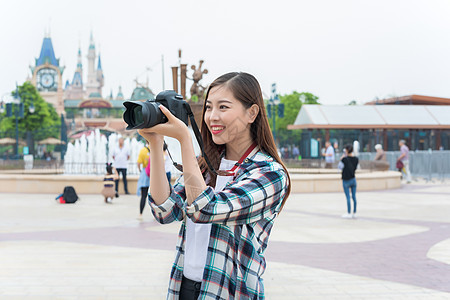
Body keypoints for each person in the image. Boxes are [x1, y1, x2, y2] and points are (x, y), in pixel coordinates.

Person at [138, 72, 291, 299]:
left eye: (223, 107)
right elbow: (165, 210)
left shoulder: (270, 174)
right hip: (184, 287)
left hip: (230, 291)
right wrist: (155, 142)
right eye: (209, 107)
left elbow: (206, 209)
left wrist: (184, 139)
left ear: (252, 113)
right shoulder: (206, 166)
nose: (212, 117)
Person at [340, 144, 359, 219]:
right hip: (353, 179)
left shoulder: (345, 159)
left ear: (347, 150)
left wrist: (344, 154)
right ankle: (354, 212)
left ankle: (348, 212)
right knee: (354, 197)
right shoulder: (356, 159)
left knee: (348, 197)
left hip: (346, 180)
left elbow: (341, 159)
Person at [136, 142, 151, 219]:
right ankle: (156, 214)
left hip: (145, 175)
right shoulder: (156, 149)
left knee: (143, 196)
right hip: (154, 175)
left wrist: (140, 170)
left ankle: (140, 214)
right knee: (154, 197)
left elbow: (138, 163)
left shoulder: (143, 150)